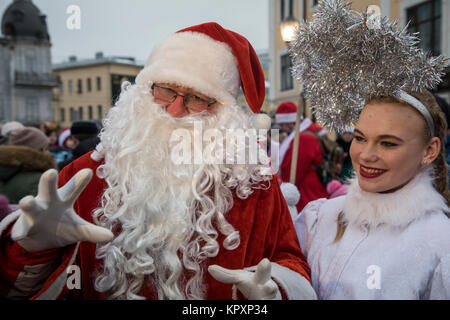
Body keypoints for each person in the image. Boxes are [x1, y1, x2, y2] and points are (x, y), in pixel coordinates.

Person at [0, 22, 316, 300]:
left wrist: (275, 290)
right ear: (145, 90)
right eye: (166, 90)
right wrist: (33, 247)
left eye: (196, 98)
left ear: (222, 112)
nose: (175, 109)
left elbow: (289, 260)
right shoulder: (85, 175)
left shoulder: (253, 183)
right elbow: (16, 289)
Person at [291, 0, 450, 299]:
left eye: (388, 143)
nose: (365, 155)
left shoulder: (439, 246)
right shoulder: (322, 216)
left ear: (430, 151)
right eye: (361, 137)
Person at [275, 101, 328, 212]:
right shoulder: (303, 135)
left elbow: (295, 170)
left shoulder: (304, 138)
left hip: (307, 192)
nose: (282, 128)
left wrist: (284, 186)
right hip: (306, 188)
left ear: (290, 122)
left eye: (283, 124)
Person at [0, 127, 56, 204]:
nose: (49, 153)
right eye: (46, 148)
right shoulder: (39, 180)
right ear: (38, 151)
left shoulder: (5, 171)